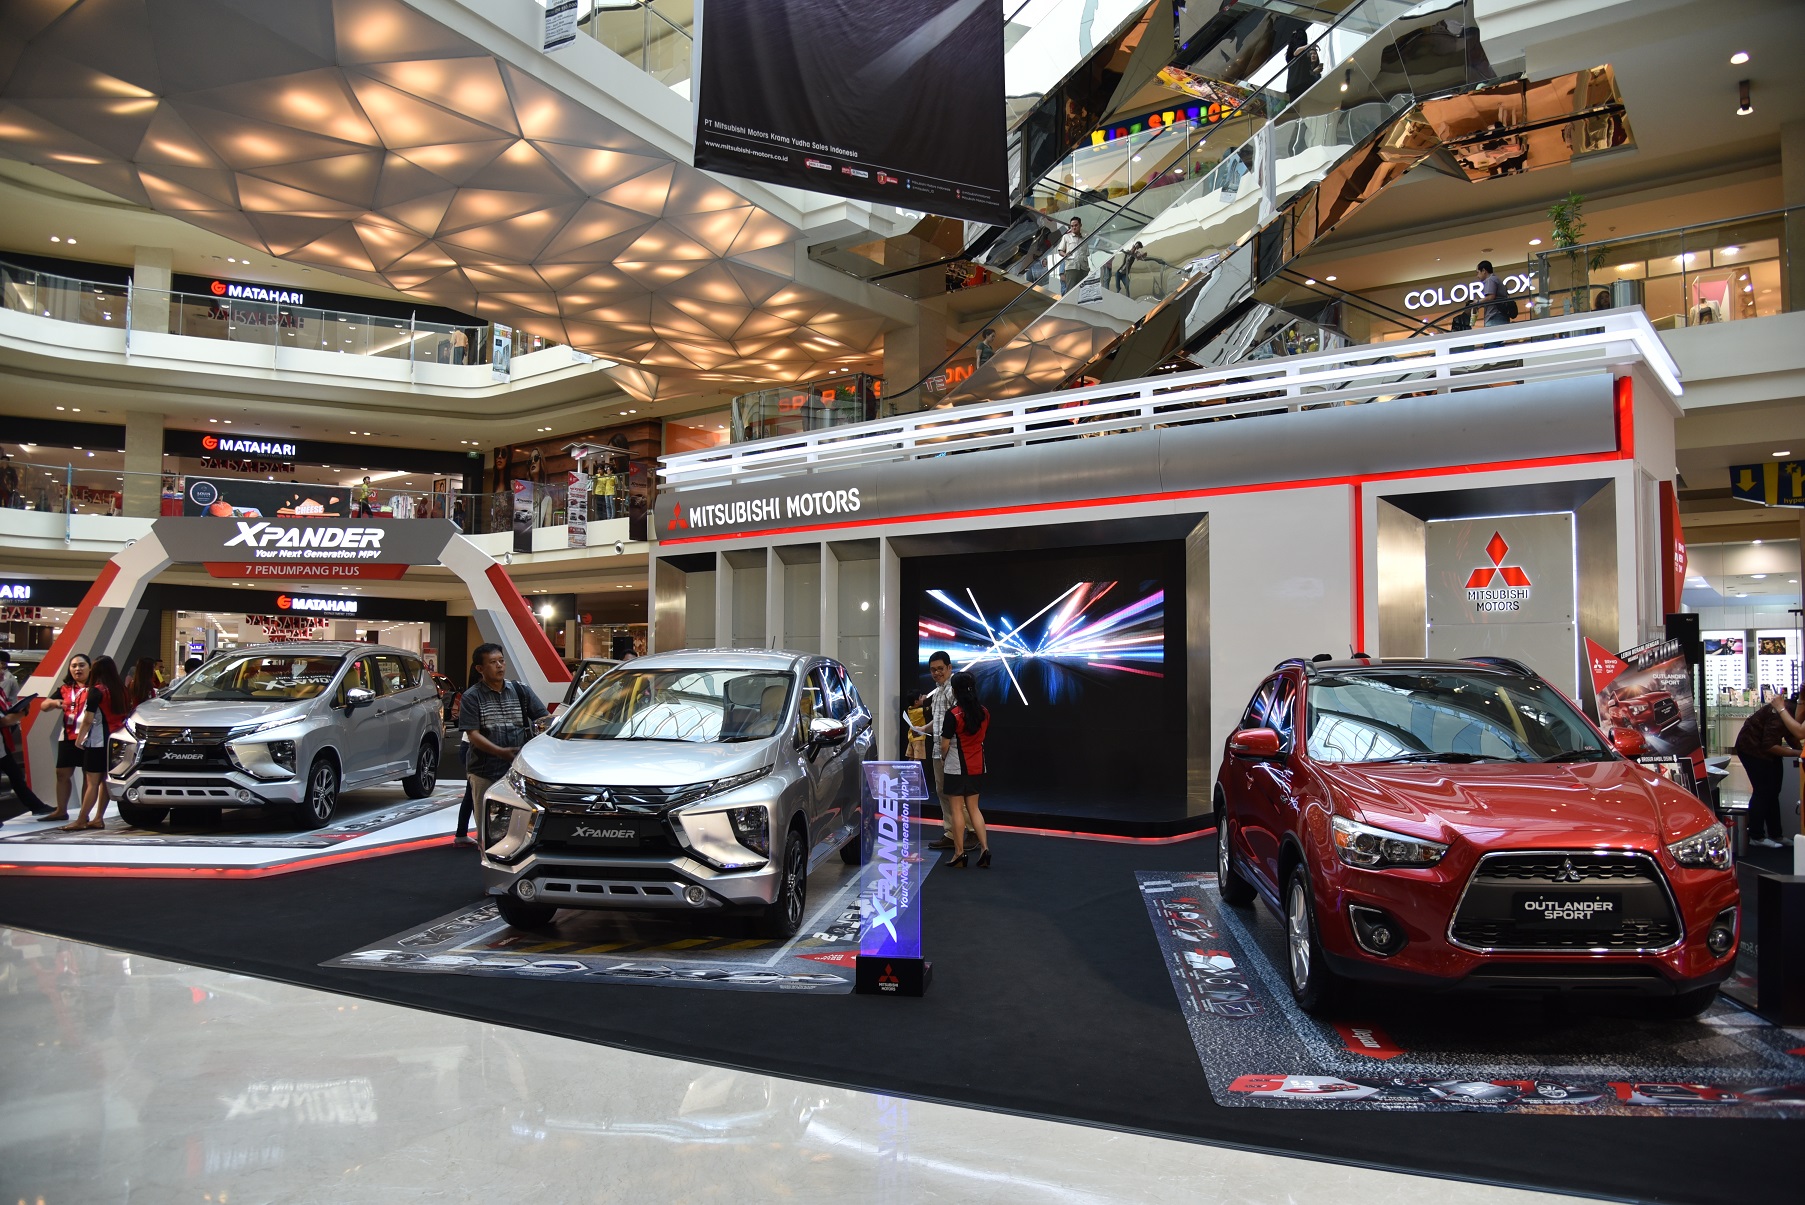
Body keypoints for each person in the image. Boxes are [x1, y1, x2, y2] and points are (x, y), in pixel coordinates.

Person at [457, 644, 548, 850]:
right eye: (493, 662)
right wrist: (499, 752)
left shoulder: (520, 690)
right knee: (487, 829)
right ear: (480, 669)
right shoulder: (472, 697)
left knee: (520, 825)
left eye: (501, 660)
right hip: (484, 771)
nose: (499, 666)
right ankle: (489, 860)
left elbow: (543, 718)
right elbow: (473, 735)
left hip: (518, 770)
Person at [63, 655, 127, 831]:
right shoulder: (121, 689)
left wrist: (79, 738)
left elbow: (88, 719)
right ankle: (98, 818)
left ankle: (81, 819)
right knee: (105, 781)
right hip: (116, 741)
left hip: (97, 741)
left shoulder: (96, 691)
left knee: (92, 782)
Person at [908, 652, 962, 851]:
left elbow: (958, 719)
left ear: (949, 668)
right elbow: (938, 720)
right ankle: (951, 833)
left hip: (953, 749)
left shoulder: (953, 690)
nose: (936, 673)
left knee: (957, 793)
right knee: (942, 791)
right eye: (933, 670)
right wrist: (923, 728)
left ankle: (970, 832)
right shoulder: (938, 691)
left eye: (940, 668)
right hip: (939, 749)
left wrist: (948, 745)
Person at [1734, 692, 1801, 849]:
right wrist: (1798, 753)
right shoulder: (1782, 712)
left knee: (1774, 791)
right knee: (1763, 791)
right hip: (1752, 749)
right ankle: (1756, 836)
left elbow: (1791, 733)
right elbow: (1769, 745)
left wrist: (1800, 750)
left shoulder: (1791, 711)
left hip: (1766, 752)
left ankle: (1776, 834)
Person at [939, 670, 991, 869]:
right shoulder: (984, 712)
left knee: (956, 810)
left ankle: (959, 854)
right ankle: (985, 849)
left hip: (956, 767)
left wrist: (943, 758)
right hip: (978, 765)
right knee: (974, 808)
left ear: (954, 691)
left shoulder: (953, 714)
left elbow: (944, 745)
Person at [36, 653, 92, 823]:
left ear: (90, 668)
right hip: (68, 736)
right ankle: (61, 810)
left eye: (81, 665)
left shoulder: (96, 687)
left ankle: (84, 813)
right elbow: (43, 706)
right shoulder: (65, 689)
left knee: (88, 776)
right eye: (74, 666)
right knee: (62, 774)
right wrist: (54, 703)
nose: (77, 669)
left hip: (90, 737)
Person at [0, 651, 53, 817]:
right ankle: (36, 806)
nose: (4, 671)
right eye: (1, 667)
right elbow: (4, 721)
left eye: (4, 667)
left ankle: (36, 806)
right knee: (15, 774)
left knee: (15, 775)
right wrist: (22, 714)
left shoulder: (1, 690)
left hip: (2, 743)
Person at [1475, 260, 1511, 326]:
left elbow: (1490, 297)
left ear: (1484, 271)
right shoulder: (1496, 279)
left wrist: (1477, 302)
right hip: (1502, 316)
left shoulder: (1490, 280)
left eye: (1478, 272)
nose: (1477, 276)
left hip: (1494, 317)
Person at [1056, 217, 1085, 295]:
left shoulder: (1083, 239)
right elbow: (1060, 251)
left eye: (1076, 225)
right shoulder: (1066, 237)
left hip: (1082, 269)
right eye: (1072, 226)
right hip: (1071, 268)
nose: (1074, 228)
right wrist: (1066, 255)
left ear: (1080, 225)